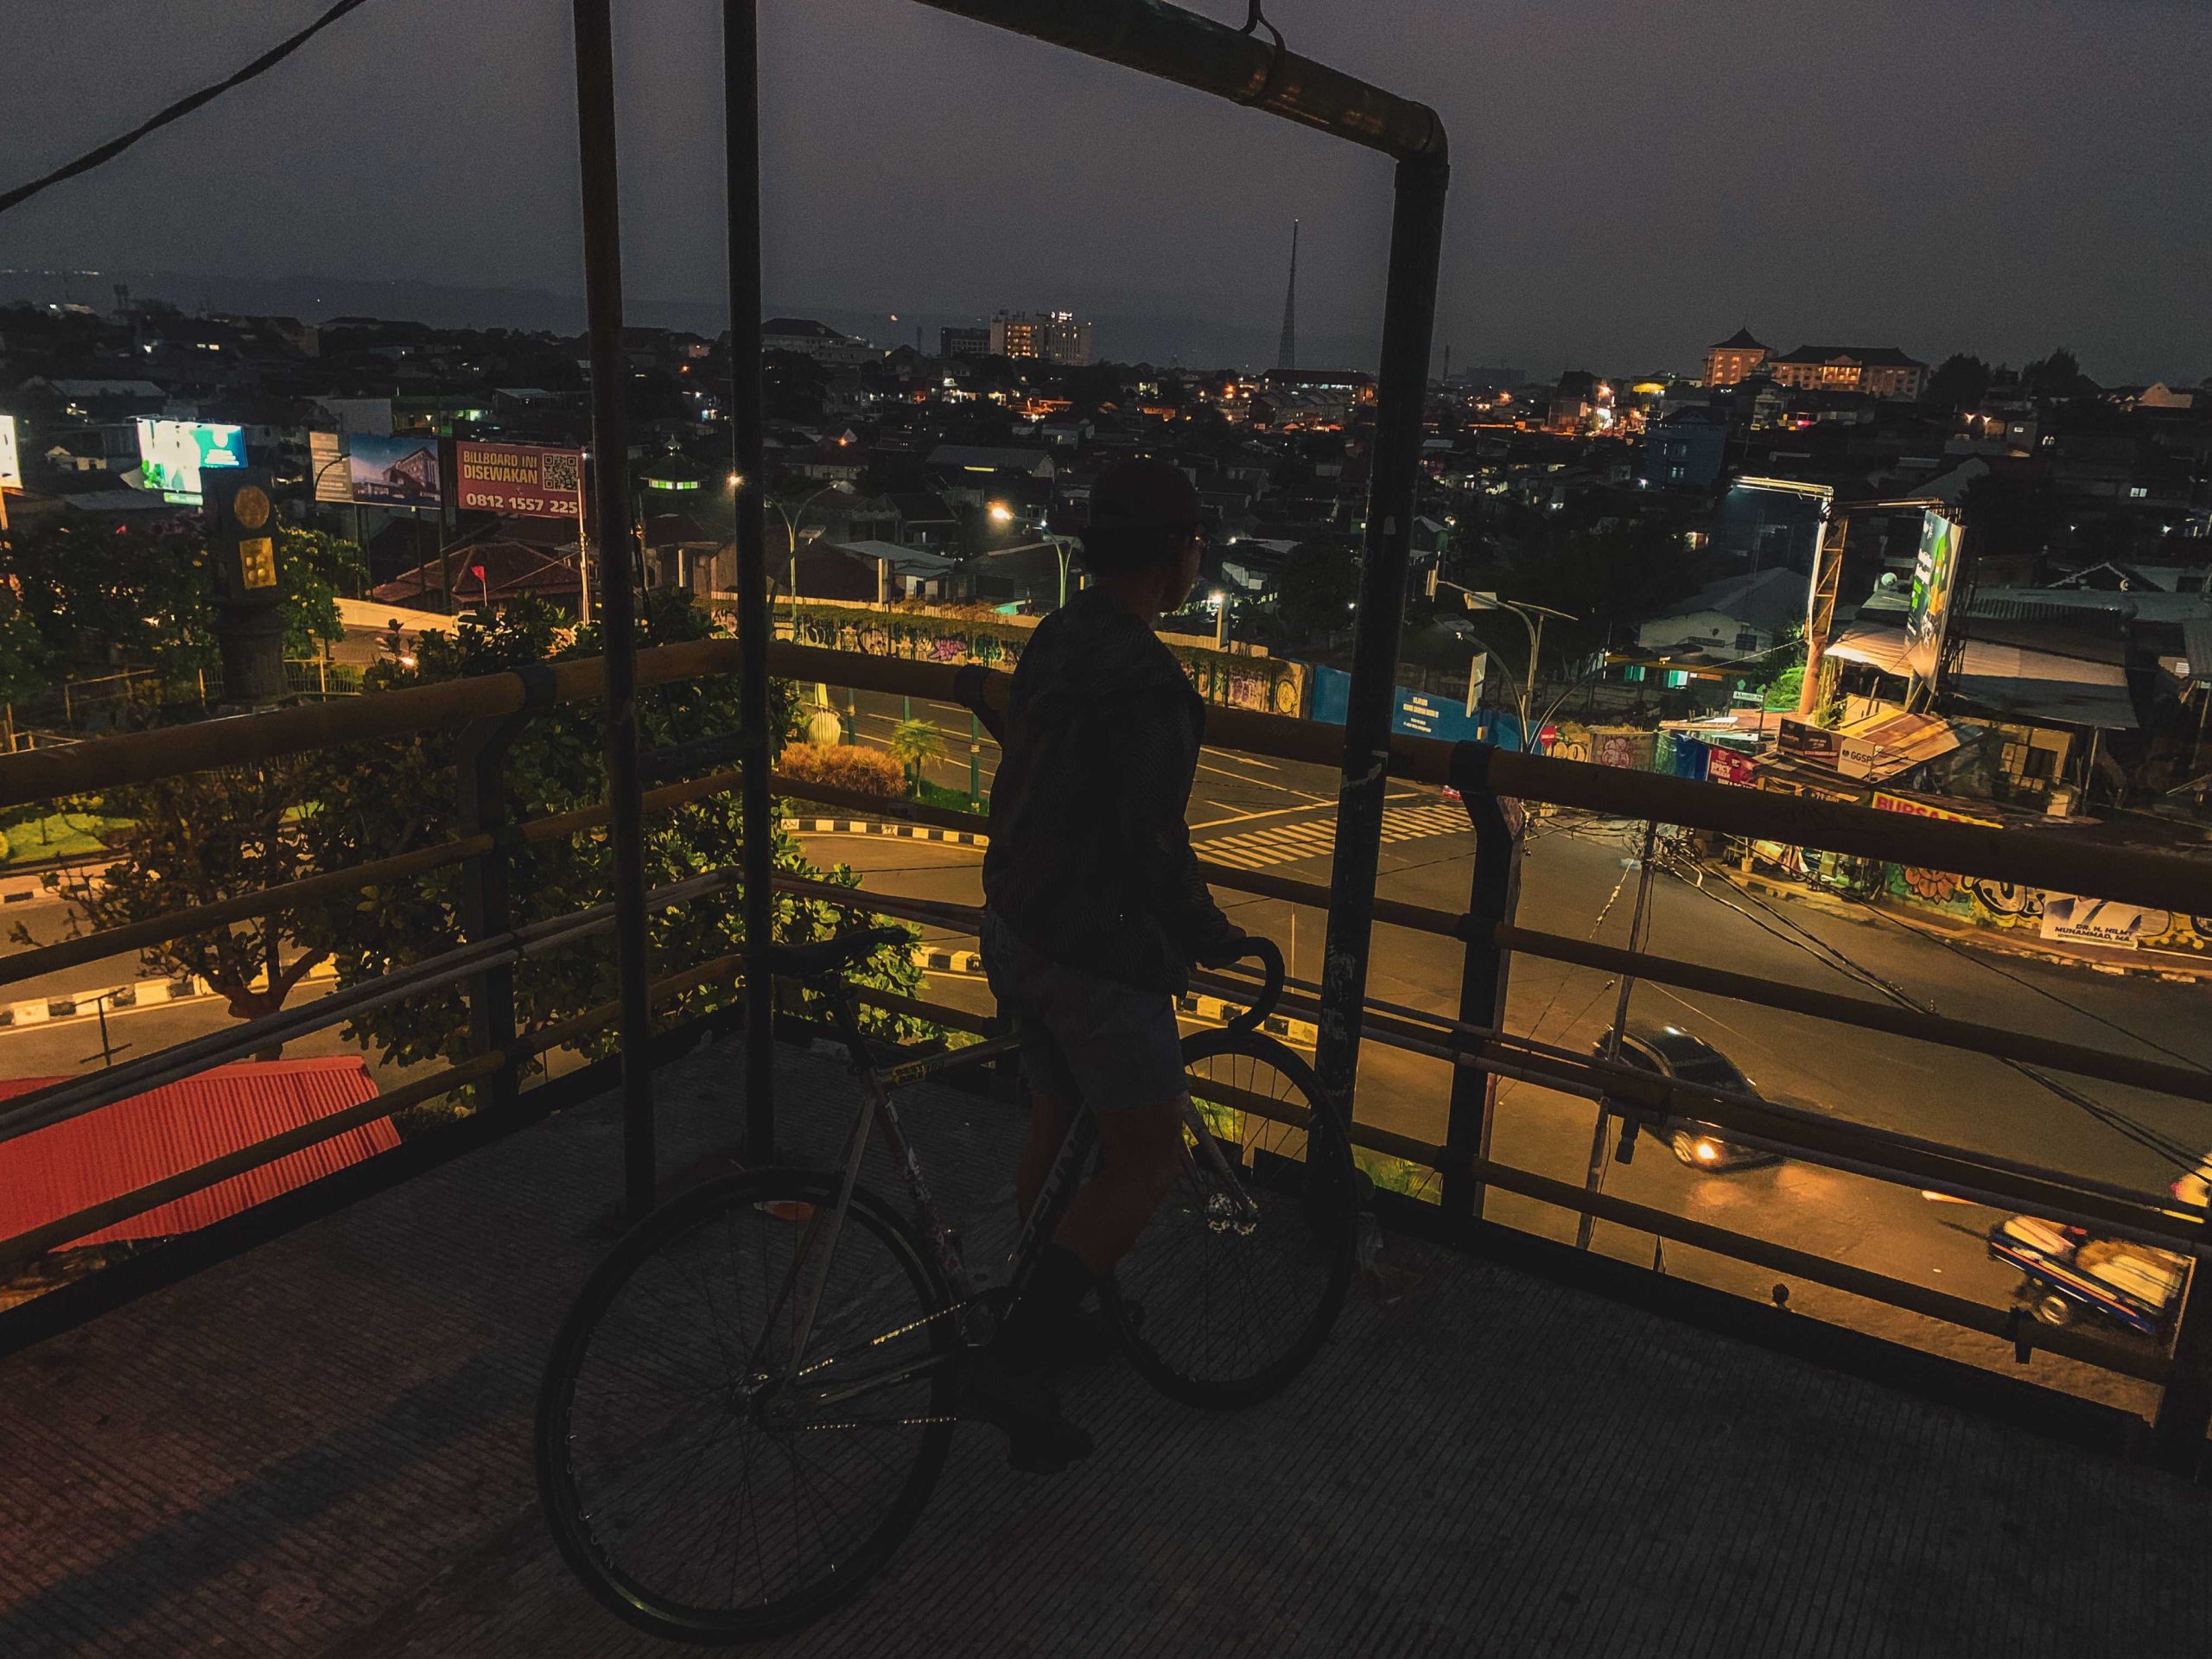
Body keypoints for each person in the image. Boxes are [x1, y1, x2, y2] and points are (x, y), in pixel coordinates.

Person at [965, 458, 1246, 1472]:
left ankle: (1043, 1297)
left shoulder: (1055, 637)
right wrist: (1211, 933)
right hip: (1091, 953)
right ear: (1175, 558)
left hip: (1016, 925)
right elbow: (1150, 844)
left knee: (1056, 1120)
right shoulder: (1152, 685)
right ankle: (1018, 1356)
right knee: (1145, 1159)